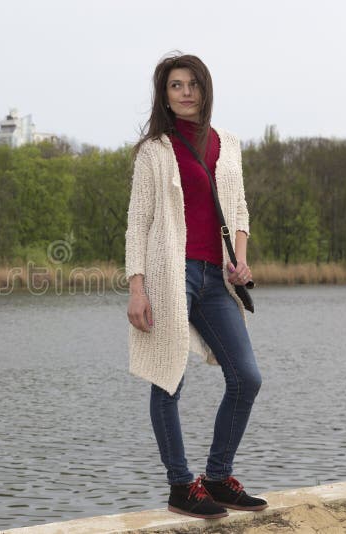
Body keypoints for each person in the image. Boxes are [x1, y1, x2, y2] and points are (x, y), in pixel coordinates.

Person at [124, 53, 268, 519]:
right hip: (170, 274)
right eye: (175, 86)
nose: (185, 93)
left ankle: (217, 477)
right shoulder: (155, 149)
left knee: (246, 377)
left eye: (193, 84)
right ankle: (180, 485)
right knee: (168, 378)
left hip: (215, 279)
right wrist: (137, 288)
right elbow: (138, 223)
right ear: (164, 95)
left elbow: (239, 210)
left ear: (205, 90)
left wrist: (239, 262)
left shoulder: (228, 143)